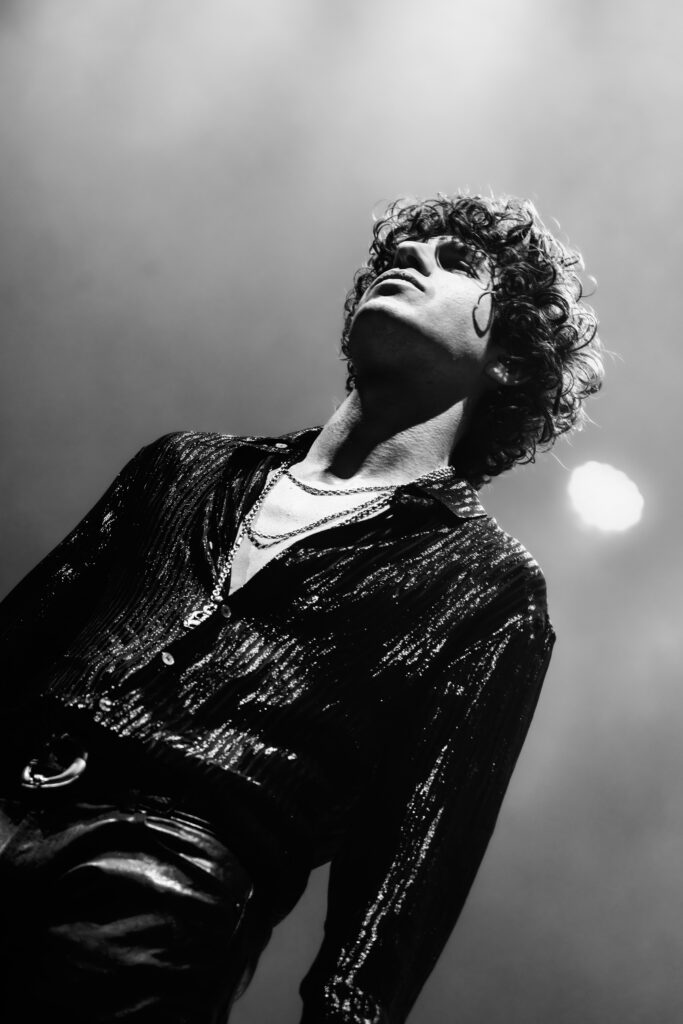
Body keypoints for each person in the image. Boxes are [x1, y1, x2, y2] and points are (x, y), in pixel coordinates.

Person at [0, 192, 603, 1023]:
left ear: (510, 357)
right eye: (402, 251)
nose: (411, 259)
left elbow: (413, 861)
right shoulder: (183, 466)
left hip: (155, 892)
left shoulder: (486, 585)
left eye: (458, 263)